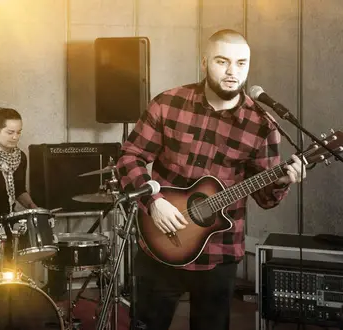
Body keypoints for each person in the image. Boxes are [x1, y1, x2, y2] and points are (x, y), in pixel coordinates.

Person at [117, 29, 306, 330]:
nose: (233, 72)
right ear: (204, 62)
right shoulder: (168, 103)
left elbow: (266, 197)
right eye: (223, 62)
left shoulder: (262, 124)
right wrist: (153, 202)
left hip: (220, 251)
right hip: (160, 243)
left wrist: (282, 181)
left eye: (241, 63)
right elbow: (130, 156)